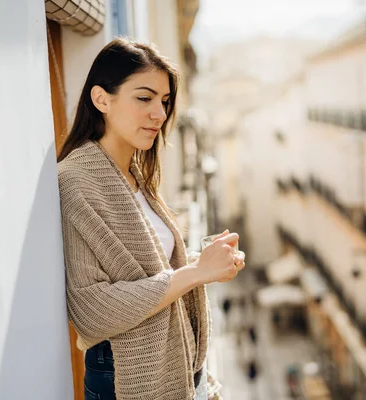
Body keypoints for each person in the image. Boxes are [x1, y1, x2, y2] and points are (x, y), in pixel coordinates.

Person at [57, 37, 246, 400]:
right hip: (124, 374)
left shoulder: (136, 175)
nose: (159, 114)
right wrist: (195, 273)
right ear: (102, 100)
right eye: (144, 98)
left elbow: (148, 275)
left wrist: (207, 263)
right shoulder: (76, 181)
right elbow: (92, 311)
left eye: (164, 101)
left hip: (176, 358)